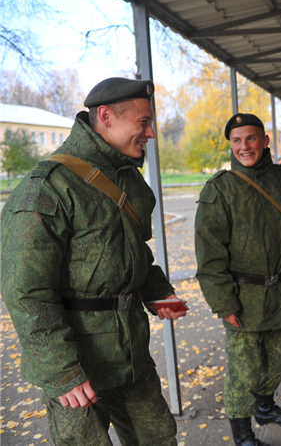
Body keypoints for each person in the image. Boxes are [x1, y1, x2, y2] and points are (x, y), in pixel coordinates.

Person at [0, 77, 187, 446]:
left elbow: (134, 253)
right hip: (78, 363)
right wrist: (62, 371)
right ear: (105, 116)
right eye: (143, 122)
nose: (150, 132)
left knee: (159, 437)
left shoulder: (129, 180)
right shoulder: (48, 188)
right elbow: (25, 291)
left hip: (131, 351)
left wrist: (157, 291)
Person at [194, 113, 281, 446]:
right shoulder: (220, 189)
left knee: (278, 360)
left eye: (250, 138)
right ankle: (242, 435)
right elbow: (210, 255)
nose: (244, 147)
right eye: (236, 141)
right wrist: (223, 303)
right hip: (243, 298)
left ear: (265, 141)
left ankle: (265, 407)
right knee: (244, 372)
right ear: (230, 145)